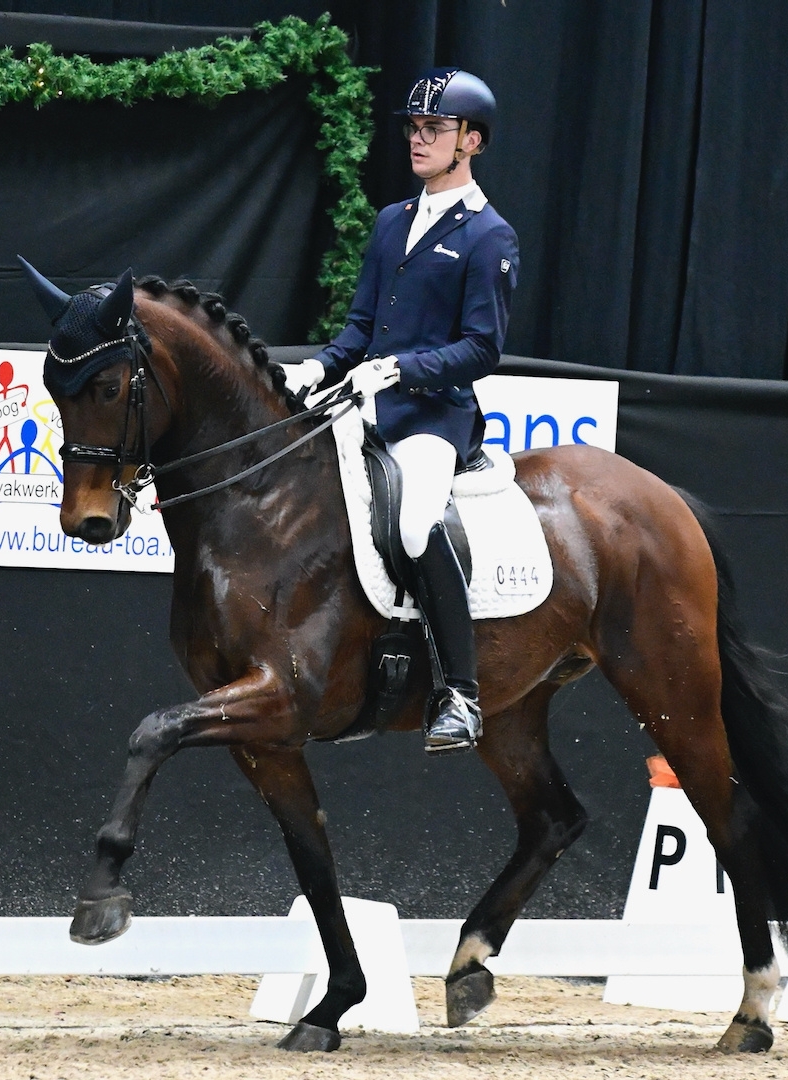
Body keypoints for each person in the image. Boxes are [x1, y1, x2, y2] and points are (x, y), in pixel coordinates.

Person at [278, 67, 519, 755]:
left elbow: (480, 349)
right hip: (366, 403)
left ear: (470, 141)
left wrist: (404, 369)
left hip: (433, 418)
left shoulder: (489, 237)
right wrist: (319, 366)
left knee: (414, 525)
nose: (418, 139)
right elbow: (359, 328)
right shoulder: (392, 222)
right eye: (414, 127)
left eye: (434, 129)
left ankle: (461, 693)